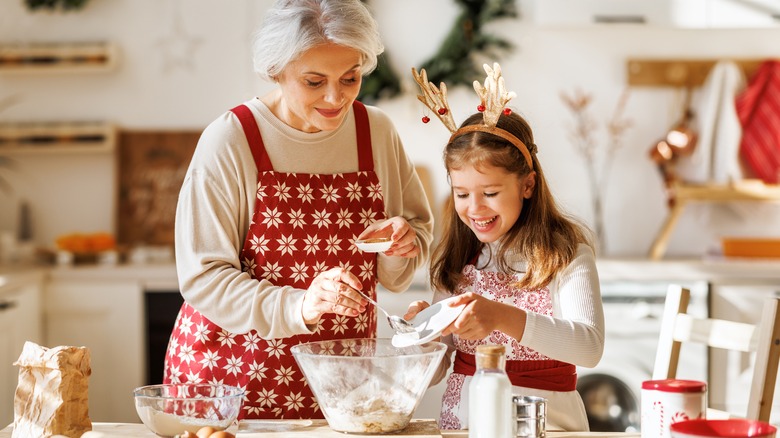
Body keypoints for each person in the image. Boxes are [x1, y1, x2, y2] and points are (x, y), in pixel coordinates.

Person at [163, 0, 434, 420]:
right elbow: (203, 278)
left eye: (350, 77)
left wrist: (400, 246)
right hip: (232, 381)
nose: (335, 96)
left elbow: (410, 243)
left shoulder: (374, 131)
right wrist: (299, 306)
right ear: (276, 71)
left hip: (342, 382)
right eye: (313, 81)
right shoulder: (231, 140)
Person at [408, 64, 604, 431]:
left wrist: (501, 316)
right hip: (466, 424)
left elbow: (590, 347)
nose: (475, 208)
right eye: (462, 194)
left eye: (491, 193)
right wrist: (424, 335)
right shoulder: (456, 260)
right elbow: (434, 372)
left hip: (549, 425)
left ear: (527, 185)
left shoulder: (565, 255)